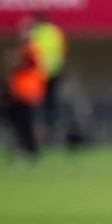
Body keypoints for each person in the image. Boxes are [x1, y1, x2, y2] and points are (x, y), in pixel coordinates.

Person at [27, 14, 69, 145]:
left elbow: (30, 52)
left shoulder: (36, 33)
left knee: (37, 105)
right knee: (50, 105)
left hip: (39, 75)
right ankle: (47, 131)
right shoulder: (55, 32)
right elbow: (62, 51)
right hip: (55, 72)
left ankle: (39, 133)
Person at [4, 39, 46, 162]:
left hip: (30, 97)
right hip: (18, 97)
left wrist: (16, 58)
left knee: (29, 126)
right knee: (20, 126)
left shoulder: (31, 52)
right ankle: (24, 149)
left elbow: (30, 63)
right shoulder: (21, 60)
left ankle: (31, 151)